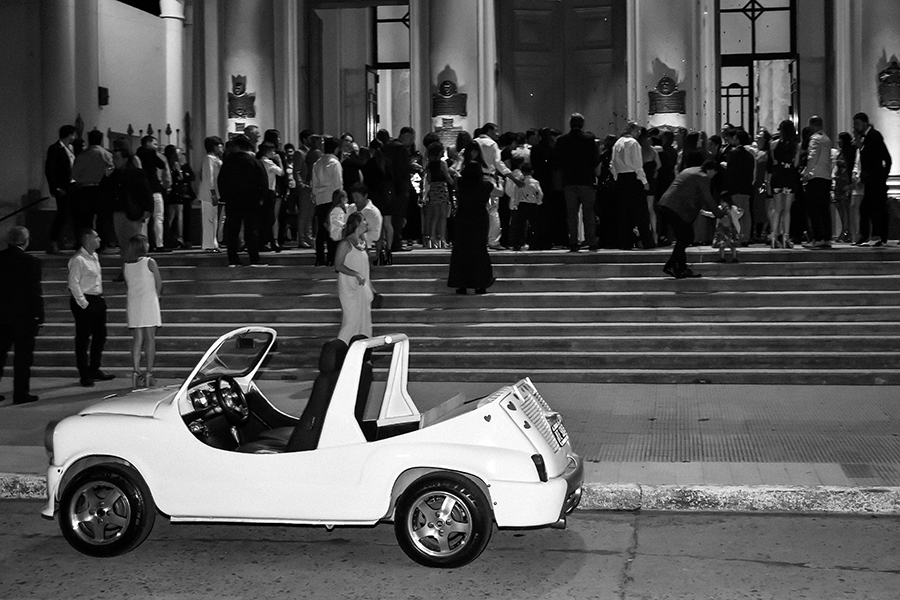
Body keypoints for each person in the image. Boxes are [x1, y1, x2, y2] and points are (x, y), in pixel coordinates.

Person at [658, 160, 724, 278]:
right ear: (711, 170)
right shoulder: (702, 177)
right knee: (686, 237)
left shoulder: (691, 169)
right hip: (676, 207)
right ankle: (671, 265)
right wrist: (719, 213)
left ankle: (681, 268)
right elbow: (707, 198)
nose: (713, 176)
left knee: (683, 238)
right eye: (714, 173)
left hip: (668, 204)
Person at [0, 227, 43, 404]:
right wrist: (39, 315)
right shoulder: (31, 262)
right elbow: (34, 291)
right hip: (24, 317)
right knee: (23, 357)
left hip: (1, 315)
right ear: (26, 241)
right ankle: (20, 393)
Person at [68, 229, 115, 386]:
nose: (100, 239)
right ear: (88, 239)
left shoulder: (94, 256)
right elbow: (73, 283)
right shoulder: (78, 259)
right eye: (97, 237)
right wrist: (84, 303)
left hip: (97, 299)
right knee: (83, 338)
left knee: (100, 335)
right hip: (85, 300)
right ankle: (84, 373)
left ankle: (94, 368)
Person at [448, 146, 495, 295]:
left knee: (462, 250)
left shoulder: (461, 184)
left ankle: (461, 284)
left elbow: (454, 174)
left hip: (463, 218)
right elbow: (498, 190)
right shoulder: (487, 185)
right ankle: (481, 284)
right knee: (479, 250)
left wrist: (460, 161)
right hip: (479, 218)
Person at [217, 134, 269, 267]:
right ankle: (254, 258)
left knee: (233, 229)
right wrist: (262, 197)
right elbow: (263, 180)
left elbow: (221, 180)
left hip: (233, 200)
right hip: (251, 199)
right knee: (251, 229)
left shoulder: (229, 162)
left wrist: (224, 196)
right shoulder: (254, 161)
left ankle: (233, 258)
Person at [554, 113, 600, 252]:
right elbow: (595, 159)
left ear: (570, 124)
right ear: (582, 124)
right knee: (589, 213)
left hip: (569, 180)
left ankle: (573, 242)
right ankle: (591, 241)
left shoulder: (562, 140)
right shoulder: (589, 139)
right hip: (586, 180)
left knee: (572, 214)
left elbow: (557, 161)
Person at [105, 147, 153, 271]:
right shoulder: (114, 174)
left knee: (134, 242)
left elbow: (146, 191)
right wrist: (106, 176)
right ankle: (125, 268)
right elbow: (106, 190)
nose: (114, 161)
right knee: (122, 243)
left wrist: (147, 209)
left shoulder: (137, 173)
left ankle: (136, 269)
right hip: (118, 210)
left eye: (117, 158)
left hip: (132, 211)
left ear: (126, 159)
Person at [123, 235, 162, 389]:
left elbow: (128, 284)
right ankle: (149, 373)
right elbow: (159, 284)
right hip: (149, 301)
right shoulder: (150, 262)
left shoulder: (126, 265)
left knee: (137, 338)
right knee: (150, 338)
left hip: (134, 302)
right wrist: (156, 298)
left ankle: (135, 371)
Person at [334, 212, 376, 343]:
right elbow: (338, 265)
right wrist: (355, 274)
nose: (366, 223)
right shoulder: (345, 244)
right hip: (350, 288)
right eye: (364, 220)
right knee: (351, 321)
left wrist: (372, 288)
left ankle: (362, 351)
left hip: (363, 288)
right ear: (357, 223)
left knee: (364, 321)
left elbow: (365, 269)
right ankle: (341, 349)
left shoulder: (362, 243)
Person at [610, 121, 653, 250]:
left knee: (624, 213)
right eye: (638, 131)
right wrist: (644, 181)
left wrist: (617, 177)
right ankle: (647, 242)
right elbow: (637, 165)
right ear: (634, 131)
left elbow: (612, 165)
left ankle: (624, 242)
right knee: (640, 213)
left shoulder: (617, 143)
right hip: (633, 178)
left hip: (621, 179)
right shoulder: (633, 143)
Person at [71, 129, 115, 251]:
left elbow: (74, 174)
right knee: (103, 218)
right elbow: (112, 171)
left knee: (84, 219)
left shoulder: (82, 155)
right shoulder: (106, 154)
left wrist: (83, 179)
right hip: (101, 189)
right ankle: (103, 243)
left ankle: (84, 243)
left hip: (85, 189)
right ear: (101, 140)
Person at [853, 112, 892, 246]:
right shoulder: (865, 138)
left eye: (858, 124)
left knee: (875, 208)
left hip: (876, 181)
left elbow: (886, 158)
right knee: (868, 208)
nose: (856, 127)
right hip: (870, 180)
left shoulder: (874, 136)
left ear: (865, 123)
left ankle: (877, 236)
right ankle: (871, 236)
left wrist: (882, 177)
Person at [800, 116, 834, 248]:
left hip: (815, 177)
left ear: (812, 125)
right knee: (824, 209)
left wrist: (806, 173)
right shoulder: (826, 138)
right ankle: (827, 237)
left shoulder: (814, 139)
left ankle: (818, 237)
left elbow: (812, 157)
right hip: (826, 177)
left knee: (814, 209)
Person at [45, 124, 78, 254]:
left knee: (75, 214)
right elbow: (50, 169)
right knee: (63, 215)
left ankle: (75, 241)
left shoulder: (73, 148)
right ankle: (53, 242)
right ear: (69, 135)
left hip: (74, 185)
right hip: (63, 186)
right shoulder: (55, 148)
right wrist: (55, 187)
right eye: (73, 134)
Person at [135, 135, 170, 253]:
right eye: (155, 144)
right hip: (154, 188)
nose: (156, 147)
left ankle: (145, 246)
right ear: (148, 143)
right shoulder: (151, 154)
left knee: (145, 220)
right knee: (158, 217)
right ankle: (159, 244)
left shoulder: (136, 155)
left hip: (141, 190)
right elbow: (161, 164)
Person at [768, 119, 800, 248]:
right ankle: (786, 237)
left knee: (777, 208)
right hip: (789, 176)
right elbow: (796, 163)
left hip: (777, 175)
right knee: (787, 209)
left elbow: (773, 161)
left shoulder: (773, 144)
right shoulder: (796, 145)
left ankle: (774, 236)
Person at [312, 136, 344, 265]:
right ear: (336, 149)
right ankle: (331, 257)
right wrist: (341, 200)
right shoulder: (334, 163)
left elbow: (313, 182)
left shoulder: (318, 162)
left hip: (320, 198)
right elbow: (338, 183)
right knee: (333, 228)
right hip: (332, 198)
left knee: (321, 229)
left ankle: (320, 257)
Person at [723, 129, 756, 246]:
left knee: (736, 213)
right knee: (746, 212)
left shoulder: (733, 153)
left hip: (735, 186)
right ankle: (745, 236)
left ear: (737, 139)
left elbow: (730, 171)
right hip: (746, 187)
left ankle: (737, 236)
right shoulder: (749, 155)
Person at [506, 158, 543, 251]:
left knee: (520, 225)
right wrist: (539, 201)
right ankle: (534, 243)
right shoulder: (535, 182)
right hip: (532, 204)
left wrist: (516, 203)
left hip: (522, 204)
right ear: (532, 172)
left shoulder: (520, 182)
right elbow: (540, 193)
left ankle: (517, 243)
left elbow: (516, 193)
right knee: (534, 224)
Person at [422, 141, 454, 249]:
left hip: (433, 189)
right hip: (442, 188)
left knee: (435, 215)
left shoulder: (429, 165)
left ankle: (432, 239)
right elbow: (448, 177)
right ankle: (442, 239)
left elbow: (429, 179)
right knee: (443, 216)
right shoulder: (442, 163)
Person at [163, 145, 195, 249]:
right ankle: (175, 237)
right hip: (176, 193)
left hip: (183, 193)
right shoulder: (171, 165)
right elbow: (179, 179)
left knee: (179, 215)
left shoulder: (184, 165)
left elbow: (190, 177)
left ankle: (179, 237)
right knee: (174, 214)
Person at [257, 140, 284, 252]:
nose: (274, 153)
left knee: (263, 217)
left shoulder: (259, 161)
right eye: (273, 151)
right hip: (269, 191)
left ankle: (264, 241)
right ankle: (267, 241)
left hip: (260, 190)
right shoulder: (269, 163)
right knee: (269, 217)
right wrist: (279, 160)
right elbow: (281, 173)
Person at [198, 136, 224, 252]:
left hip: (214, 193)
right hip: (209, 193)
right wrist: (213, 194)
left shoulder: (215, 158)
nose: (221, 148)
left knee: (214, 219)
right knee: (209, 219)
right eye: (219, 145)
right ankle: (209, 244)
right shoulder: (209, 159)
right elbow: (210, 178)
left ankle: (214, 243)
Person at [832, 132, 856, 243]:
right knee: (840, 208)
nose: (838, 142)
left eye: (840, 139)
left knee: (847, 208)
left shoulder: (850, 152)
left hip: (846, 181)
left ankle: (848, 232)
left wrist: (850, 183)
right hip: (839, 182)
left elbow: (850, 168)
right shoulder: (840, 153)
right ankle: (844, 230)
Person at [349, 182, 383, 257]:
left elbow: (376, 235)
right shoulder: (351, 208)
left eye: (357, 197)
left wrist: (358, 236)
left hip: (365, 249)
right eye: (353, 197)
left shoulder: (374, 213)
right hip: (348, 247)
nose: (355, 200)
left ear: (365, 196)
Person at [328, 188, 350, 266]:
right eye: (345, 197)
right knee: (334, 251)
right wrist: (343, 225)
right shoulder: (336, 210)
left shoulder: (345, 208)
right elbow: (335, 220)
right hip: (336, 235)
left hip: (341, 234)